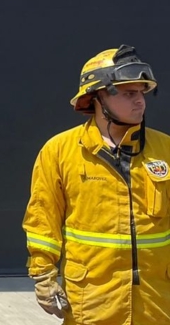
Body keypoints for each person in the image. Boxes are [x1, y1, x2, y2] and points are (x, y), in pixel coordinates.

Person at [23, 45, 170, 324]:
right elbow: (43, 220)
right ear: (98, 97)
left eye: (141, 93)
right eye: (129, 93)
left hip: (156, 304)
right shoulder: (60, 151)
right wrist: (43, 276)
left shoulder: (165, 150)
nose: (141, 101)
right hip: (92, 304)